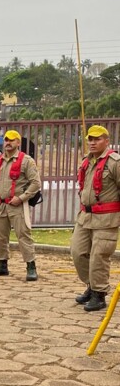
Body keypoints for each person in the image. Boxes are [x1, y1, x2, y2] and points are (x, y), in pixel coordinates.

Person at [70, 124, 120, 312]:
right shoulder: (86, 161)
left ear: (106, 141)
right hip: (85, 216)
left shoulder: (114, 163)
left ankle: (99, 294)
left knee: (99, 256)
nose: (92, 142)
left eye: (97, 139)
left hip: (106, 218)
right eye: (90, 139)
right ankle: (91, 285)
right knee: (78, 252)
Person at [0, 130, 42, 281]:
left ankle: (31, 267)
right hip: (1, 206)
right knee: (1, 237)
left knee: (24, 236)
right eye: (6, 140)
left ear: (18, 142)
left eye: (12, 140)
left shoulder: (26, 161)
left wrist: (22, 198)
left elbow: (36, 183)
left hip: (18, 206)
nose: (8, 143)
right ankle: (2, 265)